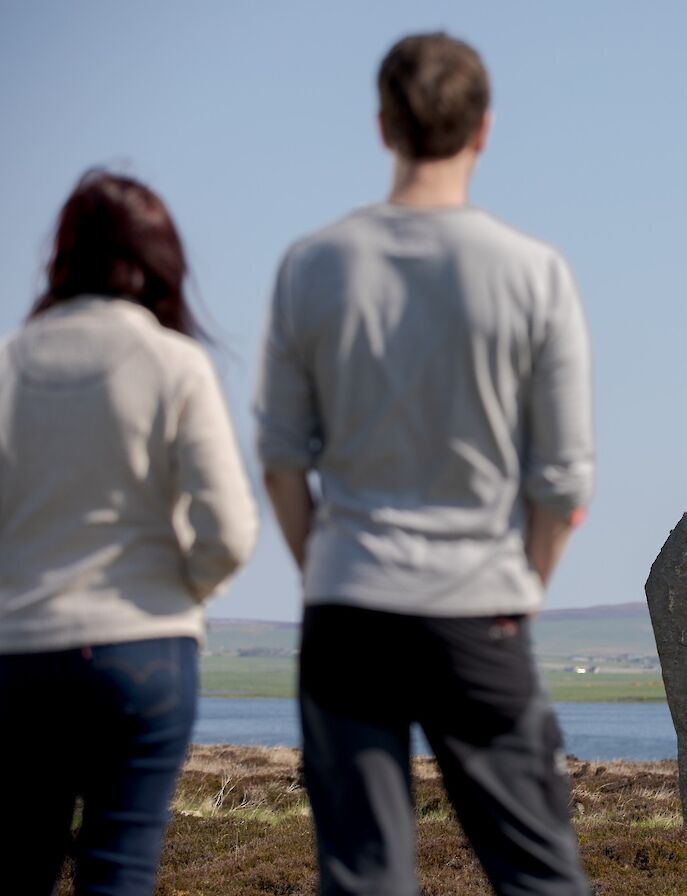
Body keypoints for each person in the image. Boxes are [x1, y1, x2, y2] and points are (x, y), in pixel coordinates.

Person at [254, 32, 595, 896]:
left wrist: (324, 568)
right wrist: (526, 585)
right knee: (541, 876)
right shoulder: (534, 274)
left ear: (382, 127)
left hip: (348, 603)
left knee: (364, 879)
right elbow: (562, 482)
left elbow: (281, 461)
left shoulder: (312, 266)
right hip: (479, 603)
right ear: (483, 130)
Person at [0, 170, 258, 895]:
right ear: (158, 262)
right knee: (119, 875)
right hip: (144, 652)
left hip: (20, 656)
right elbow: (230, 531)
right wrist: (179, 593)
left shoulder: (8, 364)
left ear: (63, 257)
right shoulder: (175, 364)